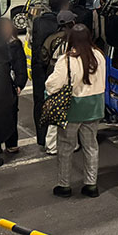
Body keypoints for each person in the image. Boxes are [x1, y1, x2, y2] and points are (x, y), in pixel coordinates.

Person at [46, 24, 105, 199]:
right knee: (91, 146)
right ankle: (91, 184)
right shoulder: (99, 56)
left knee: (65, 146)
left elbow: (53, 84)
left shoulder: (67, 60)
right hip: (94, 107)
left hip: (73, 108)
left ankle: (64, 185)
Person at [31, 0, 71, 148]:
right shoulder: (65, 23)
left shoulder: (39, 21)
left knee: (40, 102)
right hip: (57, 68)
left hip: (39, 68)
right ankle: (59, 140)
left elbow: (36, 46)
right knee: (61, 102)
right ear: (65, 6)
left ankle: (42, 138)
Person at [41, 9, 78, 155]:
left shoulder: (51, 38)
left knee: (54, 110)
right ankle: (71, 144)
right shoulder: (74, 38)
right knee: (71, 112)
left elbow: (43, 56)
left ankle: (51, 145)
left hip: (53, 72)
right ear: (72, 23)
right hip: (70, 75)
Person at [0, 18, 27, 154]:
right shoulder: (15, 43)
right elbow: (21, 67)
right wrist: (19, 84)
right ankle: (11, 143)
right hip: (10, 85)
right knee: (11, 115)